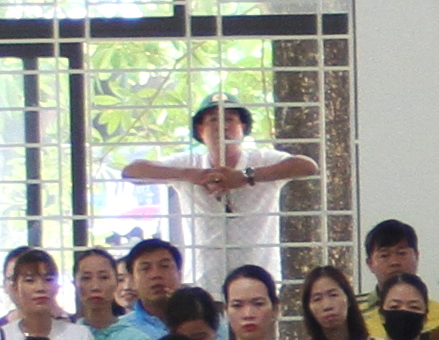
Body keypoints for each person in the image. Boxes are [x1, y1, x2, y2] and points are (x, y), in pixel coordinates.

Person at [121, 101, 311, 283]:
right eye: (213, 120)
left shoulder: (262, 160)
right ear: (200, 130)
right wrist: (188, 175)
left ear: (243, 127)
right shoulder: (189, 163)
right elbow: (132, 172)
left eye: (229, 119)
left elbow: (307, 166)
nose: (222, 126)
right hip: (203, 281)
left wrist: (246, 177)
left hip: (258, 278)